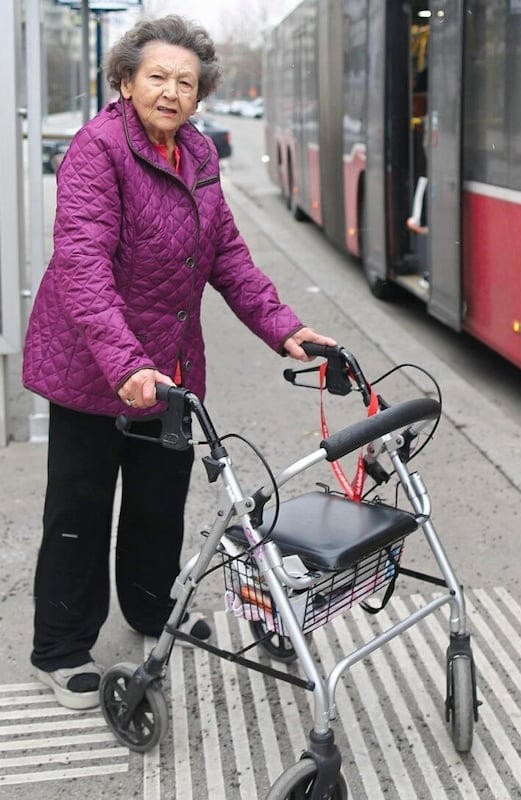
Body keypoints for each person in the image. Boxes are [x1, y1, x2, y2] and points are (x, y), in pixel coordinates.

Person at [22, 15, 335, 711]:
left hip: (169, 368)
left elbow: (226, 256)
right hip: (92, 366)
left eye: (185, 82)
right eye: (157, 76)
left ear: (200, 97)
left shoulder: (196, 154)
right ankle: (62, 646)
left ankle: (146, 607)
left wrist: (284, 327)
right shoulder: (97, 151)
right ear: (127, 81)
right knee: (79, 508)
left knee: (159, 503)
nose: (170, 91)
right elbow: (82, 266)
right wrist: (125, 363)